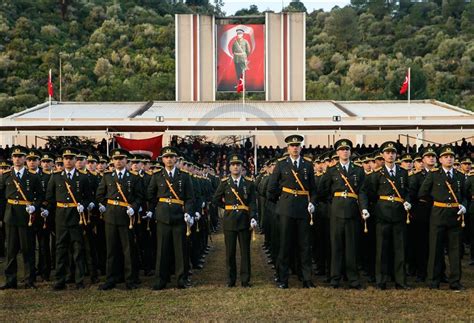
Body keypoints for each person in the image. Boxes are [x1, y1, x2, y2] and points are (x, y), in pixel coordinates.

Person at [267, 135, 317, 289]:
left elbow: (313, 189)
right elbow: (271, 189)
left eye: (297, 145)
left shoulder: (307, 165)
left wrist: (312, 203)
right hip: (286, 209)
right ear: (288, 148)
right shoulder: (281, 164)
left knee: (304, 245)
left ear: (301, 147)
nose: (295, 148)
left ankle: (306, 278)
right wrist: (281, 203)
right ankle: (283, 278)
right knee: (285, 245)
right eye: (292, 146)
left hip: (303, 209)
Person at [360, 141, 411, 290]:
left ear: (396, 155)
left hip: (399, 214)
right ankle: (381, 280)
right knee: (381, 249)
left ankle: (400, 281)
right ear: (382, 155)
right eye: (387, 152)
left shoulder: (402, 173)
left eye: (393, 152)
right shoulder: (376, 174)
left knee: (399, 248)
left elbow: (407, 190)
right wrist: (365, 208)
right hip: (382, 214)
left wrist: (408, 201)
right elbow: (365, 191)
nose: (390, 155)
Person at [419, 145, 467, 290]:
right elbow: (422, 193)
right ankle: (433, 281)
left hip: (455, 216)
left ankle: (455, 281)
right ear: (440, 160)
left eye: (451, 157)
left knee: (455, 250)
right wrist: (435, 204)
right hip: (438, 215)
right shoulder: (434, 175)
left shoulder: (459, 175)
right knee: (435, 249)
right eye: (446, 157)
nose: (449, 159)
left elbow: (464, 195)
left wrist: (463, 205)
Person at [319, 139, 366, 289]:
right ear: (337, 152)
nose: (345, 151)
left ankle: (353, 278)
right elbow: (323, 190)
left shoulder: (358, 170)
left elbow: (362, 191)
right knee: (336, 246)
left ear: (350, 152)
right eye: (342, 149)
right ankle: (335, 278)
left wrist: (363, 208)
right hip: (337, 211)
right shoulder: (331, 170)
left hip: (352, 211)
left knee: (351, 246)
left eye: (347, 149)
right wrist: (333, 203)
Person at [148, 146, 195, 290]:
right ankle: (161, 279)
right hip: (163, 217)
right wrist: (154, 210)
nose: (169, 159)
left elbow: (190, 197)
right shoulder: (157, 176)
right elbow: (150, 195)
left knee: (181, 250)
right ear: (162, 160)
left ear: (176, 159)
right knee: (162, 250)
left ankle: (182, 279)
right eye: (166, 157)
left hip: (179, 217)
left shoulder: (184, 176)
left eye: (171, 157)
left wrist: (188, 212)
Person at [96, 149, 144, 290]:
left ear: (126, 161)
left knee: (128, 249)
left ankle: (130, 279)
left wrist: (134, 208)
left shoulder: (134, 178)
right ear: (112, 161)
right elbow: (100, 195)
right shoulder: (107, 177)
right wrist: (105, 207)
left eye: (121, 158)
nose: (118, 161)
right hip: (111, 216)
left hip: (126, 216)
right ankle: (111, 279)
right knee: (111, 249)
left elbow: (139, 197)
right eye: (116, 159)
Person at [45, 147, 92, 290]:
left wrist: (83, 205)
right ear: (63, 160)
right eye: (66, 158)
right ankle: (60, 279)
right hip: (60, 216)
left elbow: (88, 197)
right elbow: (50, 197)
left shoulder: (83, 177)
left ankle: (79, 279)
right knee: (60, 249)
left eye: (71, 158)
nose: (68, 161)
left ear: (75, 160)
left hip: (75, 216)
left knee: (77, 248)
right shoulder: (56, 176)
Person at [0, 146, 44, 289]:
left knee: (28, 249)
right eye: (15, 156)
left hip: (26, 216)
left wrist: (35, 207)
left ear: (25, 159)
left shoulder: (32, 176)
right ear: (12, 158)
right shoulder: (6, 176)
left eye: (20, 156)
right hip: (11, 215)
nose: (17, 159)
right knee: (11, 250)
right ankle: (10, 280)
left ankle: (29, 280)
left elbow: (40, 196)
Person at [213, 154, 257, 287]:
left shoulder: (249, 183)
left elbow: (252, 202)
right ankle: (231, 280)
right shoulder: (225, 182)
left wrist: (253, 216)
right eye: (233, 165)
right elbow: (216, 199)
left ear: (241, 167)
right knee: (230, 252)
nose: (236, 167)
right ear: (229, 167)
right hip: (230, 220)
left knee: (245, 252)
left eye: (238, 164)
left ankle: (245, 279)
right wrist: (227, 208)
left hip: (244, 220)